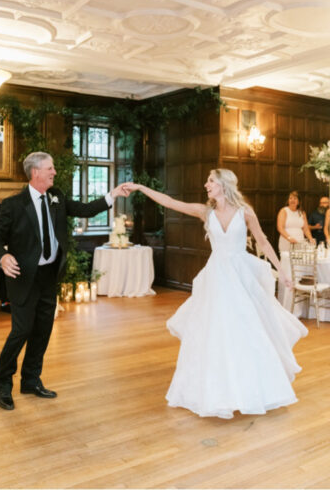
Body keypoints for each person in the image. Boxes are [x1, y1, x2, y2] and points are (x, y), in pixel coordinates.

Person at [128, 171, 306, 418]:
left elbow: (263, 242)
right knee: (214, 332)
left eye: (210, 180)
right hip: (216, 278)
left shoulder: (245, 212)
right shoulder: (205, 212)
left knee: (247, 330)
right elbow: (170, 202)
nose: (206, 184)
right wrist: (139, 187)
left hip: (240, 275)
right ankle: (216, 391)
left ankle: (252, 390)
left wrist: (282, 272)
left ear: (224, 184)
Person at [0, 152, 130, 411]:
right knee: (21, 331)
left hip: (49, 275)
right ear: (35, 173)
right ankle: (1, 383)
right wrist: (3, 255)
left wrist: (113, 195)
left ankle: (31, 380)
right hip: (23, 277)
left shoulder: (57, 197)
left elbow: (84, 210)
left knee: (42, 330)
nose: (54, 172)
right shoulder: (14, 204)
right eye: (50, 169)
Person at [277, 191, 313, 258]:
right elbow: (280, 228)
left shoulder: (302, 212)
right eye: (290, 198)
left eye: (295, 198)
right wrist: (289, 238)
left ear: (298, 201)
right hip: (286, 242)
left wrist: (310, 238)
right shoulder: (283, 211)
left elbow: (306, 229)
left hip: (299, 242)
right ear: (288, 201)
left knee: (299, 263)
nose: (292, 200)